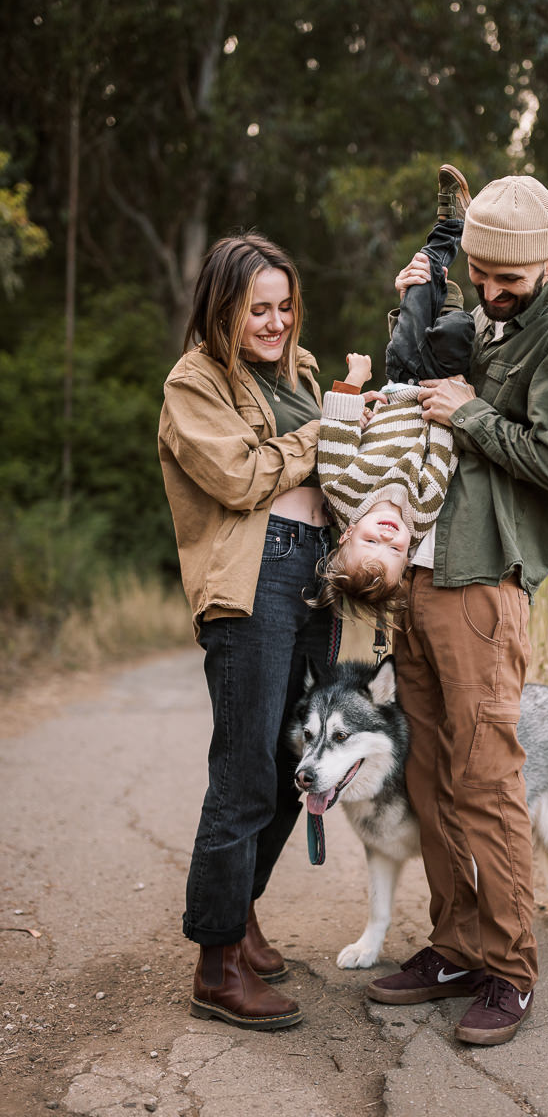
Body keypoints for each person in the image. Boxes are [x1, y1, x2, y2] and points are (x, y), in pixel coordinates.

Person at [366, 172, 548, 1046]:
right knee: (428, 779)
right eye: (480, 276)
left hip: (483, 587)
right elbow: (413, 375)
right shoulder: (484, 313)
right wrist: (415, 301)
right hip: (421, 579)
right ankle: (454, 946)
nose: (492, 293)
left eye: (509, 281)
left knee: (488, 785)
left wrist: (471, 413)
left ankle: (510, 971)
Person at [158, 233, 337, 1031]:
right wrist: (325, 432)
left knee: (297, 757)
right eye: (256, 309)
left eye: (284, 305)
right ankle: (216, 963)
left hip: (317, 575)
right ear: (223, 309)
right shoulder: (193, 384)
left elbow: (331, 461)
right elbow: (239, 477)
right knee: (242, 773)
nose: (275, 322)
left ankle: (243, 913)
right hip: (252, 578)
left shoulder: (297, 370)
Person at [313, 167, 473, 623]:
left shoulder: (342, 491)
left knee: (420, 279)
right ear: (408, 557)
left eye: (372, 542)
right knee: (457, 329)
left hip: (399, 381)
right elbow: (441, 458)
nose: (387, 536)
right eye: (394, 549)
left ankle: (452, 221)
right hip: (434, 392)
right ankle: (453, 280)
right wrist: (451, 403)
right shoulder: (420, 517)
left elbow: (336, 435)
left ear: (346, 536)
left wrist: (353, 381)